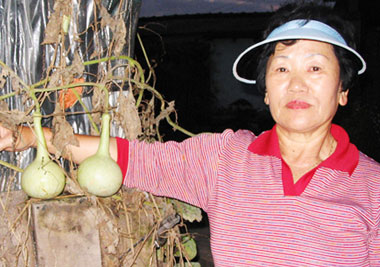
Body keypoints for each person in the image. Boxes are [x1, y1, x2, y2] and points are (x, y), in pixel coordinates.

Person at [1, 1, 380, 266]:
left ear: (343, 89)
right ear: (264, 90)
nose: (296, 85)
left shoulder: (373, 187)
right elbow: (126, 157)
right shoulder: (224, 158)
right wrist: (25, 137)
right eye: (281, 69)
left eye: (315, 69)